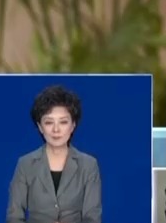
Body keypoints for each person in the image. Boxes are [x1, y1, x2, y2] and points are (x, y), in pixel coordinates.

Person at [6, 85, 102, 223]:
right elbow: (14, 217)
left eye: (63, 122)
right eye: (49, 122)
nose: (56, 129)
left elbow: (92, 218)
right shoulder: (25, 164)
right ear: (40, 127)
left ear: (73, 125)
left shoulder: (89, 165)